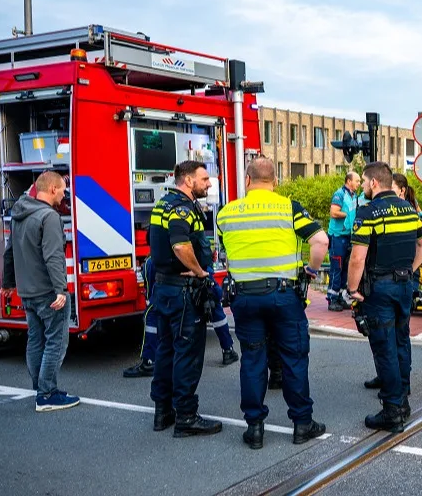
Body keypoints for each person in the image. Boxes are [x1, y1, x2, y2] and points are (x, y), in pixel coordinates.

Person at [217, 158, 329, 449]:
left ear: (247, 180)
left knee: (253, 359)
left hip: (245, 297)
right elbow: (321, 241)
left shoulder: (226, 213)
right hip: (283, 296)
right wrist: (312, 271)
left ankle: (254, 428)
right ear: (275, 182)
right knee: (293, 357)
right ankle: (302, 424)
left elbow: (223, 248)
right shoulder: (289, 207)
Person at [347, 162, 422, 433]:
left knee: (384, 348)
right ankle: (403, 398)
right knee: (401, 340)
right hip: (404, 285)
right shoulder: (408, 208)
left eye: (363, 181)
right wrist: (410, 269)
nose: (361, 185)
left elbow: (358, 257)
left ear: (374, 183)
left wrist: (351, 289)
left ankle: (392, 411)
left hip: (379, 288)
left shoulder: (368, 212)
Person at [148, 161, 222, 437]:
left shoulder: (162, 204)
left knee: (166, 350)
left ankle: (162, 412)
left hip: (164, 289)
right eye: (204, 179)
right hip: (183, 290)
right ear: (188, 180)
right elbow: (180, 245)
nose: (209, 183)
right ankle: (186, 417)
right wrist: (199, 271)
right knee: (187, 353)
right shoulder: (182, 208)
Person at [1, 171, 79, 412]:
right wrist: (60, 289)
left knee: (35, 339)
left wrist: (8, 283)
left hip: (27, 292)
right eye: (63, 190)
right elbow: (53, 256)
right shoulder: (49, 217)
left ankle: (40, 388)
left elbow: (9, 252)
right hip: (47, 291)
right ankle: (46, 395)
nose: (64, 195)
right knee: (56, 341)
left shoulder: (19, 213)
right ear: (53, 189)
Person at [122, 257, 238, 378]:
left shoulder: (153, 261)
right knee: (214, 305)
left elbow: (151, 289)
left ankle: (149, 361)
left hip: (178, 291)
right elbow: (215, 287)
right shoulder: (197, 252)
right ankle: (228, 349)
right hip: (200, 276)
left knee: (151, 314)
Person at [326, 172, 361, 311]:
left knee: (345, 268)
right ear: (348, 181)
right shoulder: (339, 194)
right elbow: (334, 212)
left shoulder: (354, 196)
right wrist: (348, 215)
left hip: (348, 235)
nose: (359, 183)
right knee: (337, 267)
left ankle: (340, 296)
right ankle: (332, 299)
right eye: (357, 181)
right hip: (337, 236)